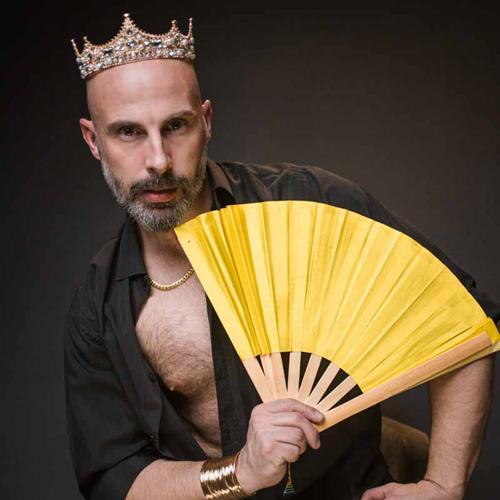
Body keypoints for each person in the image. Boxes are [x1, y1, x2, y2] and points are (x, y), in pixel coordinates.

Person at [64, 13, 500, 500]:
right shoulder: (100, 305)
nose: (159, 160)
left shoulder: (314, 204)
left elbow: (464, 325)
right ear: (93, 140)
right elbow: (116, 476)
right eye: (128, 132)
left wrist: (443, 483)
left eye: (176, 125)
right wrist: (240, 472)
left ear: (206, 121)